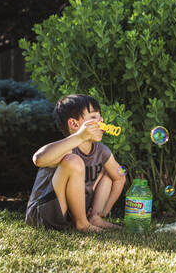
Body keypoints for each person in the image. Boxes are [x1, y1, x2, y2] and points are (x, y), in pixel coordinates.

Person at [25, 94, 126, 232]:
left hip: (71, 215)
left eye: (100, 116)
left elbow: (119, 177)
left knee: (111, 172)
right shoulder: (64, 148)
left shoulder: (101, 151)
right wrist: (80, 137)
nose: (101, 120)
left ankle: (95, 218)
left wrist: (104, 211)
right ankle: (82, 224)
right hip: (42, 216)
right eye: (93, 117)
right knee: (73, 161)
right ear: (74, 124)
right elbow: (38, 159)